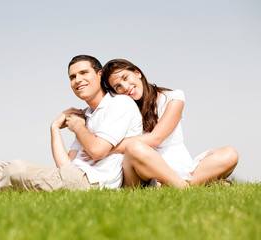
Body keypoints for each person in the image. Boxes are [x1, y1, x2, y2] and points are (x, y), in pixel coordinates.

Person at [0, 55, 143, 196]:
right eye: (72, 77)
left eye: (84, 73)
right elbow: (66, 165)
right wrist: (54, 128)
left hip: (93, 182)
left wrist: (78, 126)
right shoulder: (87, 116)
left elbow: (98, 151)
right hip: (72, 174)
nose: (77, 80)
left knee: (17, 168)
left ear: (99, 74)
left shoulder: (119, 104)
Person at [97, 58, 239, 188]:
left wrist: (106, 148)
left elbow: (156, 139)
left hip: (179, 167)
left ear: (137, 73)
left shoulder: (173, 98)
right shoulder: (122, 108)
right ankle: (187, 187)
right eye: (118, 87)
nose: (125, 87)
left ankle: (171, 184)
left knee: (230, 154)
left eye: (126, 78)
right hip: (141, 170)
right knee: (135, 148)